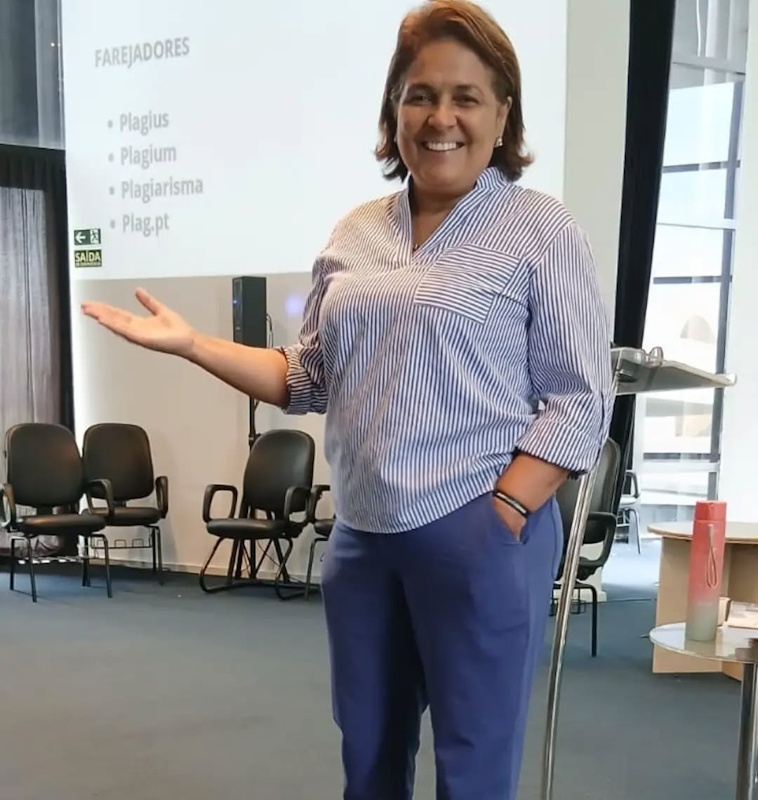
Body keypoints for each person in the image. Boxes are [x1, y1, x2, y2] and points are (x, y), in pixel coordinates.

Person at [82, 1, 613, 797]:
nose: (440, 118)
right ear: (394, 109)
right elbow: (307, 377)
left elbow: (581, 398)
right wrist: (193, 344)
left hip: (476, 527)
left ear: (503, 114)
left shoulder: (541, 231)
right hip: (364, 536)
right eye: (419, 95)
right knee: (367, 757)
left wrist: (503, 512)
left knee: (473, 766)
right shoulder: (355, 231)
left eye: (466, 98)